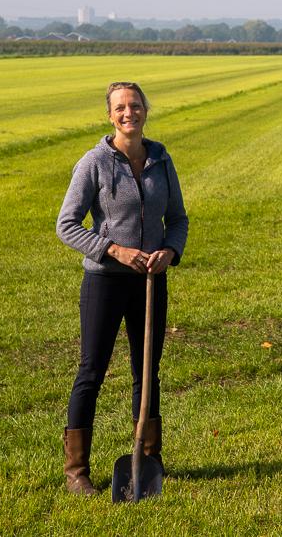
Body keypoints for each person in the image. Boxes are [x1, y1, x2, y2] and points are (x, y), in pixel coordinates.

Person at [56, 81, 188, 494]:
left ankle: (148, 460)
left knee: (146, 372)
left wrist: (169, 250)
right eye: (120, 107)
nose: (128, 112)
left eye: (135, 105)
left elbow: (179, 219)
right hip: (105, 282)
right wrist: (112, 249)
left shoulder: (162, 159)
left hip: (151, 280)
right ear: (110, 115)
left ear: (145, 110)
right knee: (91, 372)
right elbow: (67, 225)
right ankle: (76, 470)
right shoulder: (94, 162)